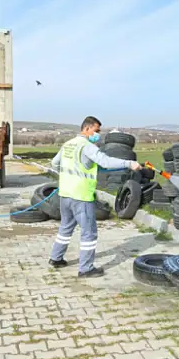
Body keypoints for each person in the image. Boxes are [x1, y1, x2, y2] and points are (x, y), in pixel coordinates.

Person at [48, 116, 142, 278]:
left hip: (65, 195)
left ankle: (56, 258)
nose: (98, 134)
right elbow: (105, 162)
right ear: (86, 129)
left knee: (65, 227)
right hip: (81, 196)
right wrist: (129, 164)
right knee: (89, 233)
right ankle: (86, 268)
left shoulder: (68, 144)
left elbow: (55, 163)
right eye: (96, 130)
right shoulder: (87, 146)